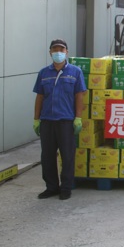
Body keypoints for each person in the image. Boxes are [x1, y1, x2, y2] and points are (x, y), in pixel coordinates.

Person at [33, 39, 86, 200]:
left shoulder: (75, 72)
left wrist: (78, 117)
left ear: (66, 52)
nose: (58, 52)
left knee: (67, 156)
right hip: (47, 121)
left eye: (61, 50)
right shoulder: (44, 73)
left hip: (66, 121)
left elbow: (79, 96)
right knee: (47, 156)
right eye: (55, 49)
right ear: (50, 52)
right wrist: (36, 119)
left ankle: (66, 188)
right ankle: (51, 187)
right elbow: (40, 97)